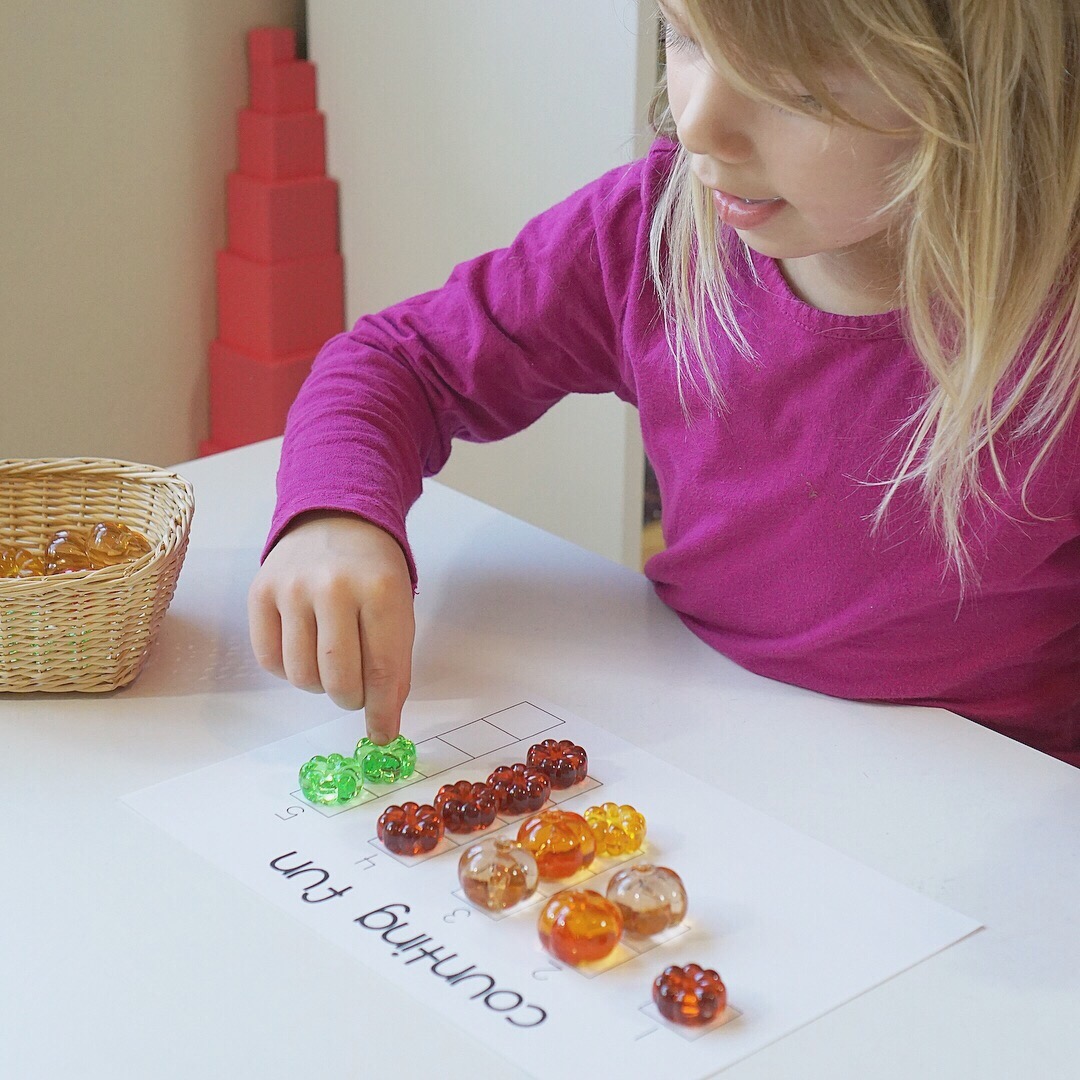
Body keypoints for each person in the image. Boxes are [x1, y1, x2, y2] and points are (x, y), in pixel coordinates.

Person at [248, 0, 1080, 767]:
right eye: (684, 34)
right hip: (701, 752)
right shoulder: (653, 228)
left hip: (982, 813)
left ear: (986, 93)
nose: (697, 123)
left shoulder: (1058, 327)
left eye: (788, 89)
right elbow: (397, 363)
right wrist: (335, 516)